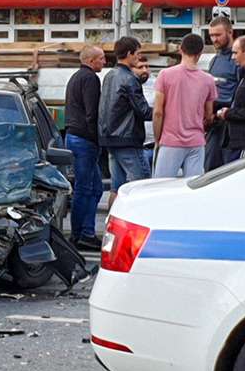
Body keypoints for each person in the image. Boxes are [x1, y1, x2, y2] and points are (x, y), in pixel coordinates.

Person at [152, 33, 217, 179]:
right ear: (200, 53)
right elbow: (208, 115)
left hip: (170, 141)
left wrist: (157, 139)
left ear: (181, 49)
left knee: (160, 187)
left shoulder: (165, 75)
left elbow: (158, 112)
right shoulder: (208, 80)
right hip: (196, 142)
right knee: (192, 189)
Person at [99, 36, 152, 207]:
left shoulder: (110, 75)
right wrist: (164, 112)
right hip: (128, 139)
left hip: (110, 138)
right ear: (129, 54)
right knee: (142, 185)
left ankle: (111, 225)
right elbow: (143, 110)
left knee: (116, 188)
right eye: (137, 54)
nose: (138, 57)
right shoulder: (129, 79)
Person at [63, 45, 106, 250]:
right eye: (101, 59)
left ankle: (84, 232)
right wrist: (99, 139)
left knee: (94, 188)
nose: (105, 62)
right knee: (85, 188)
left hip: (74, 136)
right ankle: (81, 234)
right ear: (91, 61)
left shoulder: (75, 77)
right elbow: (92, 113)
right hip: (85, 140)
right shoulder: (90, 79)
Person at [204, 16, 240, 171]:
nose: (214, 39)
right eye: (211, 35)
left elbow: (242, 92)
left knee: (228, 170)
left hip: (230, 123)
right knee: (210, 167)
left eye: (218, 35)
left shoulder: (238, 60)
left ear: (230, 32)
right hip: (214, 123)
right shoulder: (215, 60)